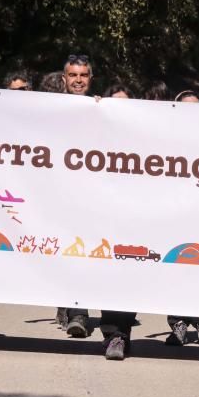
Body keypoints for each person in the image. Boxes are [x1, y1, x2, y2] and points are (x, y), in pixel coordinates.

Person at [57, 54, 138, 360]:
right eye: (73, 75)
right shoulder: (47, 111)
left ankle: (117, 335)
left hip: (110, 204)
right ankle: (76, 311)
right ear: (64, 79)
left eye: (84, 75)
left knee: (115, 265)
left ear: (91, 78)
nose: (78, 79)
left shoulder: (104, 109)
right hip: (70, 204)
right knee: (75, 258)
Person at [162, 90, 199, 346]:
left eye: (196, 107)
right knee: (175, 268)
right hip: (172, 212)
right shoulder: (164, 137)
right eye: (185, 107)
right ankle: (178, 324)